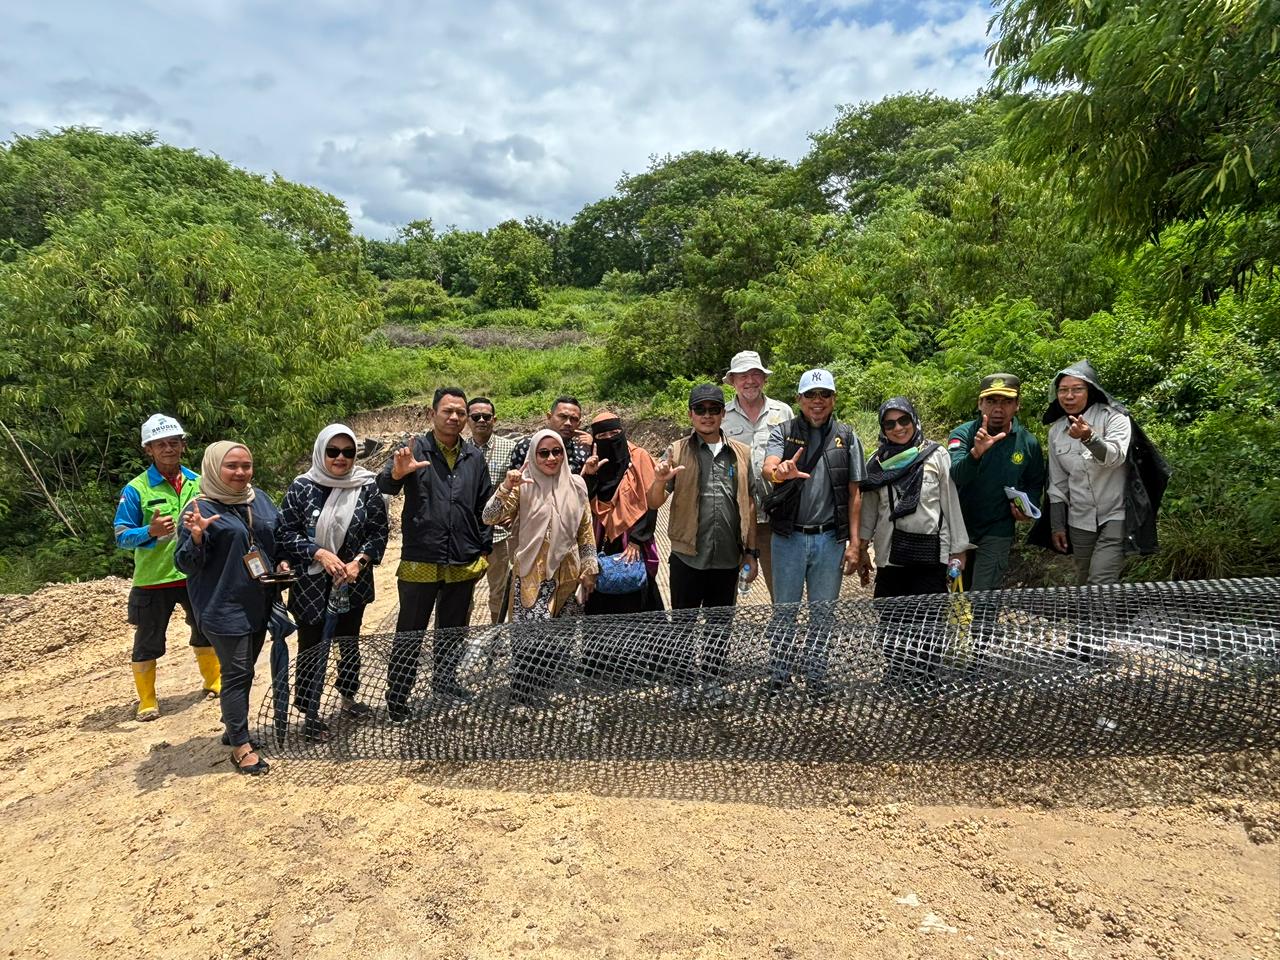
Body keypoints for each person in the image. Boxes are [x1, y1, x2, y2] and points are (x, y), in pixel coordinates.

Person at [378, 387, 493, 719]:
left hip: (463, 557)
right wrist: (398, 472)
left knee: (453, 628)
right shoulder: (413, 449)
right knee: (410, 632)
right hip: (421, 557)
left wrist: (483, 549)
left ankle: (444, 682)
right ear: (433, 414)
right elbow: (385, 485)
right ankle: (398, 697)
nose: (455, 417)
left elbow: (483, 507)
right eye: (448, 411)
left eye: (461, 412)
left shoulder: (474, 457)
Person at [176, 441, 286, 776]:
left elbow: (276, 537)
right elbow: (183, 563)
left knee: (244, 671)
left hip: (260, 601)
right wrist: (195, 538)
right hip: (223, 606)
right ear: (213, 467)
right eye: (231, 466)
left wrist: (281, 561)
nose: (240, 473)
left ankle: (232, 728)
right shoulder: (199, 510)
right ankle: (241, 746)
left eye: (246, 465)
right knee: (238, 674)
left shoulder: (259, 499)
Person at [277, 423, 388, 741]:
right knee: (312, 646)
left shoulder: (365, 485)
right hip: (311, 584)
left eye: (348, 452)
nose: (341, 458)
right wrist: (319, 554)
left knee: (349, 643)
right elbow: (285, 533)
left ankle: (348, 697)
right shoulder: (302, 487)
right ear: (321, 451)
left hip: (352, 581)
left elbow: (378, 532)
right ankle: (309, 711)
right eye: (333, 451)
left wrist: (359, 562)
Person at [648, 384, 759, 700]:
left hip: (727, 556)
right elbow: (654, 502)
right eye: (701, 410)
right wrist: (658, 480)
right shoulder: (675, 451)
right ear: (691, 414)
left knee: (720, 625)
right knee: (683, 622)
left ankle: (713, 682)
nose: (707, 416)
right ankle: (683, 684)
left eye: (714, 409)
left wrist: (751, 552)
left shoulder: (742, 453)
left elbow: (749, 502)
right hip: (687, 554)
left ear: (724, 413)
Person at [761, 369, 866, 693]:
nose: (817, 402)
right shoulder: (783, 430)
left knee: (823, 613)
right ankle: (779, 675)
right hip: (788, 537)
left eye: (824, 395)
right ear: (799, 400)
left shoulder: (847, 437)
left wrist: (854, 544)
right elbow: (769, 468)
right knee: (785, 612)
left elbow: (855, 494)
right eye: (810, 395)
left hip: (829, 540)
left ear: (834, 399)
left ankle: (817, 677)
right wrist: (780, 472)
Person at [857, 399, 971, 689]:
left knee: (929, 619)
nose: (898, 428)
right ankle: (897, 671)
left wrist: (958, 550)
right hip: (889, 554)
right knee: (891, 617)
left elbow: (950, 503)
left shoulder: (936, 455)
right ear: (883, 427)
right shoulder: (876, 463)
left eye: (904, 421)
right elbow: (869, 511)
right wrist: (861, 549)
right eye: (890, 423)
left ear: (914, 420)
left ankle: (925, 676)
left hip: (929, 553)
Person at [114, 414, 219, 721]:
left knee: (205, 628)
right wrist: (149, 532)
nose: (168, 449)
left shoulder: (199, 483)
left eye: (174, 443)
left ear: (182, 446)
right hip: (153, 578)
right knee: (148, 639)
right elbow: (121, 536)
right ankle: (147, 700)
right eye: (161, 444)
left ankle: (213, 681)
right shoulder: (136, 489)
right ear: (149, 449)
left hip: (193, 573)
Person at [483, 429, 597, 707]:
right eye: (543, 453)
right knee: (528, 638)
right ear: (534, 455)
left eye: (556, 451)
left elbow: (585, 530)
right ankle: (521, 695)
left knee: (561, 637)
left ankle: (544, 689)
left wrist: (590, 566)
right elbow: (490, 516)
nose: (551, 458)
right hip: (531, 575)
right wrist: (506, 486)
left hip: (568, 574)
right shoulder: (523, 485)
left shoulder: (577, 485)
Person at [946, 374, 1045, 591]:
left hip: (997, 529)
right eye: (991, 401)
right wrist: (975, 454)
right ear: (980, 403)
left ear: (1017, 405)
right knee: (956, 593)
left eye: (1006, 401)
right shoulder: (962, 435)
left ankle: (984, 625)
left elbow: (1035, 482)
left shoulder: (1028, 443)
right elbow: (956, 476)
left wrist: (1027, 508)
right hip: (959, 527)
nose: (998, 408)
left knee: (984, 596)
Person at [1041, 361, 1132, 585]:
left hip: (1115, 514)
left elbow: (1115, 456)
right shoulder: (1056, 432)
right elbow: (1058, 482)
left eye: (1076, 389)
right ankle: (1098, 620)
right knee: (1083, 580)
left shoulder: (1114, 418)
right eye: (1063, 390)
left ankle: (1104, 620)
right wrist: (1057, 525)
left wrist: (1088, 437)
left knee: (1101, 579)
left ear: (1090, 390)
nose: (1069, 396)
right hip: (1079, 519)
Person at [722, 350, 792, 598]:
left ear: (764, 379)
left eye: (755, 374)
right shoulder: (721, 416)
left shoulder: (783, 412)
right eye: (742, 375)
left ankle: (782, 636)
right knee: (725, 590)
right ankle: (723, 636)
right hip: (733, 518)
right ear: (732, 381)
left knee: (782, 590)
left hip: (776, 518)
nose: (749, 381)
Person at [582, 411, 663, 616]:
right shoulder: (593, 461)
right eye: (602, 436)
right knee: (601, 598)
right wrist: (590, 476)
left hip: (633, 540)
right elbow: (585, 502)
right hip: (601, 538)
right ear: (595, 438)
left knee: (636, 594)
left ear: (622, 431)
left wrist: (637, 540)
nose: (609, 439)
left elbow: (651, 501)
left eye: (614, 433)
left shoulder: (639, 458)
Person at [467, 397, 519, 623]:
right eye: (475, 416)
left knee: (499, 591)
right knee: (462, 592)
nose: (481, 420)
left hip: (499, 537)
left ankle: (495, 636)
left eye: (486, 417)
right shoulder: (459, 450)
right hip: (466, 535)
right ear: (467, 420)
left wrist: (511, 514)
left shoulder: (510, 448)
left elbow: (518, 488)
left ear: (494, 420)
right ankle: (459, 638)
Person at [508, 396, 591, 474]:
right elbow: (513, 483)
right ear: (549, 416)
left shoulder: (581, 451)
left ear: (579, 424)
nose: (568, 423)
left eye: (573, 419)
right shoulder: (526, 446)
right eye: (563, 417)